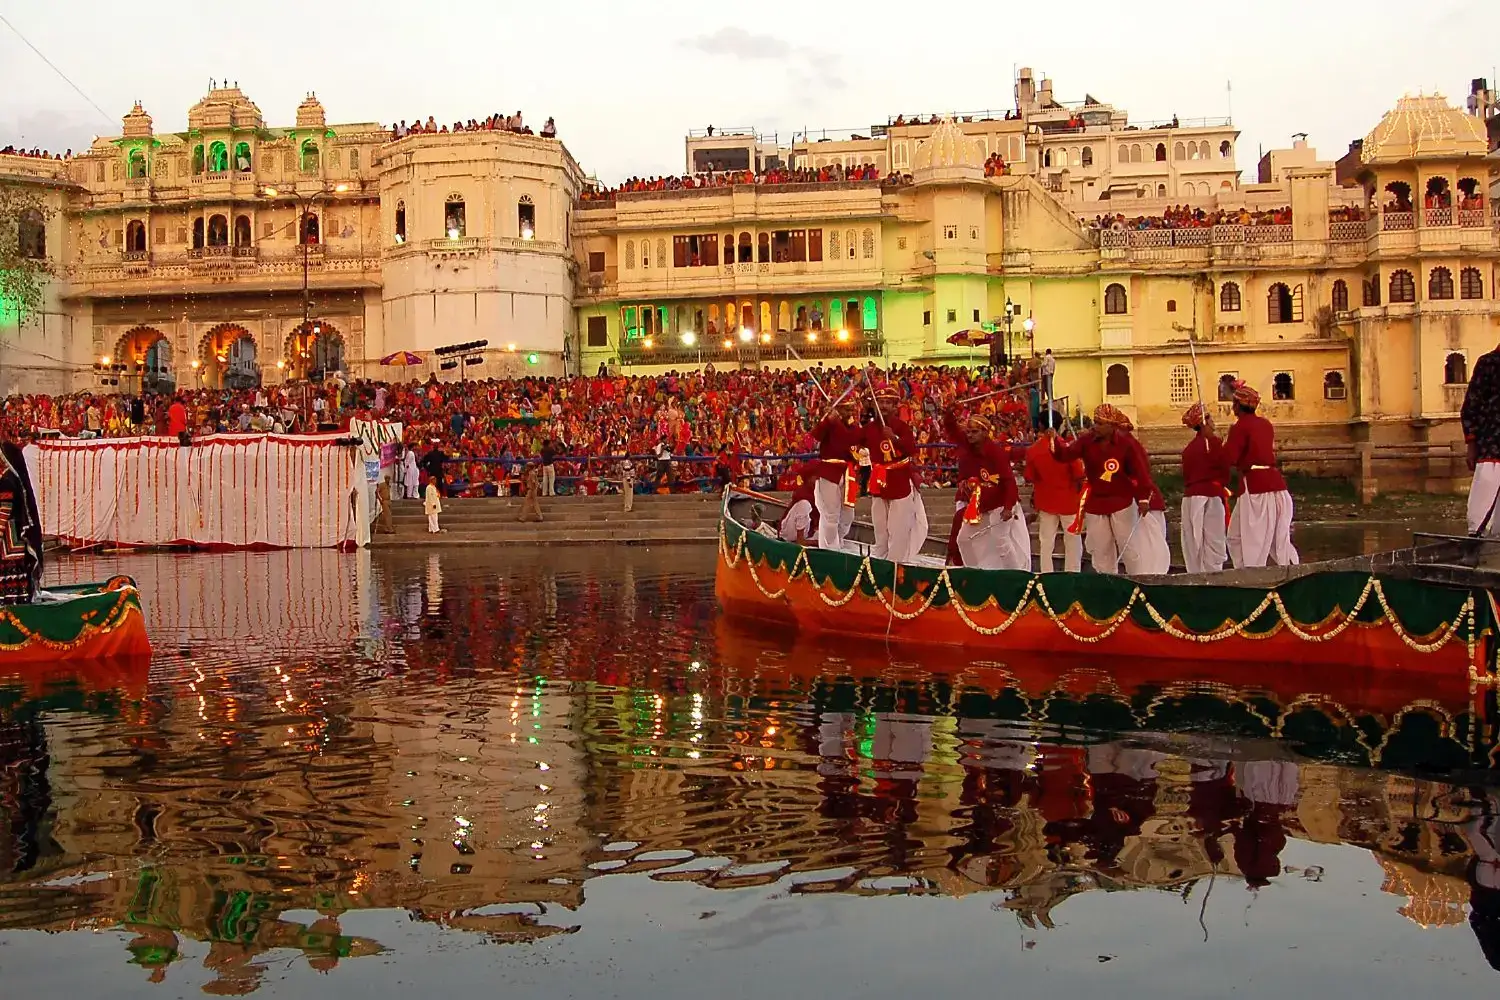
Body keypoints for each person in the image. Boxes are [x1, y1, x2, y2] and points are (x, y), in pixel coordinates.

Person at [1049, 404, 1151, 575]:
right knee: (1101, 550)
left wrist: (1143, 498)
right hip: (1096, 504)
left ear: (1111, 426)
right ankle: (1107, 586)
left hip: (1122, 503)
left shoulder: (1126, 444)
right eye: (1095, 422)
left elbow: (1140, 472)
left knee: (1130, 549)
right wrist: (1055, 441)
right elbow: (1064, 455)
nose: (1094, 426)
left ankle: (1138, 582)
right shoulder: (1086, 441)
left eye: (1099, 423)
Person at [1224, 381, 1299, 568]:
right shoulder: (1265, 424)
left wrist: (1220, 445)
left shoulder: (1239, 427)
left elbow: (1230, 458)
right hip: (1276, 485)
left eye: (1233, 404)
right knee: (1276, 538)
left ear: (1238, 406)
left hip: (1255, 488)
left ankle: (1251, 574)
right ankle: (1283, 567)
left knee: (1252, 539)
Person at [950, 412, 1029, 570]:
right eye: (968, 432)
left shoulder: (996, 453)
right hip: (981, 506)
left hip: (1000, 503)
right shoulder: (967, 455)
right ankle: (974, 572)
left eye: (975, 432)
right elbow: (962, 477)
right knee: (963, 539)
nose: (970, 435)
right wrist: (963, 484)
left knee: (1000, 539)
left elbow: (1009, 482)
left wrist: (1008, 507)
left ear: (985, 433)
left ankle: (1015, 575)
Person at [867, 385, 929, 564]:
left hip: (900, 482)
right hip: (879, 483)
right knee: (880, 529)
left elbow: (911, 449)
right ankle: (878, 563)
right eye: (881, 402)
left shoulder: (902, 427)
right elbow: (851, 439)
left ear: (895, 407)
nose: (884, 406)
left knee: (898, 529)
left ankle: (895, 566)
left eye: (888, 402)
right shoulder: (870, 428)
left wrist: (894, 438)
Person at [1024, 429, 1085, 572]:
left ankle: (1046, 573)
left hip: (1045, 500)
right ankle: (1073, 572)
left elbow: (1029, 476)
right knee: (1072, 540)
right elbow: (1079, 474)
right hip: (1068, 500)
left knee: (1046, 541)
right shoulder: (1068, 448)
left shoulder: (1033, 450)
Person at [1180, 402, 1231, 573]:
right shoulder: (1214, 443)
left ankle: (1196, 572)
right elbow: (1225, 471)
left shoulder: (1188, 449)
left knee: (1194, 541)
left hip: (1190, 498)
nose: (1213, 422)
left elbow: (1186, 475)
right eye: (1210, 418)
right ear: (1204, 422)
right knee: (1214, 539)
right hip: (1210, 496)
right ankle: (1213, 573)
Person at [810, 397, 859, 550]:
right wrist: (828, 420)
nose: (850, 413)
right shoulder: (830, 423)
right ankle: (829, 547)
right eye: (847, 409)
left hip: (847, 473)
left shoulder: (852, 427)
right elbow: (816, 435)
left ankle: (839, 540)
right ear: (839, 409)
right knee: (830, 514)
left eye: (852, 409)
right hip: (829, 471)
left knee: (848, 514)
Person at [1463, 342, 1500, 535]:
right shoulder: (1488, 363)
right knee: (1483, 503)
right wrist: (1472, 443)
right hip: (1491, 445)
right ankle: (1475, 542)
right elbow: (1471, 405)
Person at [780, 460, 821, 544]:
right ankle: (801, 540)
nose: (819, 479)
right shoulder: (802, 492)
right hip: (789, 533)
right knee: (805, 504)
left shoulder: (819, 492)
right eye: (816, 477)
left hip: (809, 531)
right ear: (809, 477)